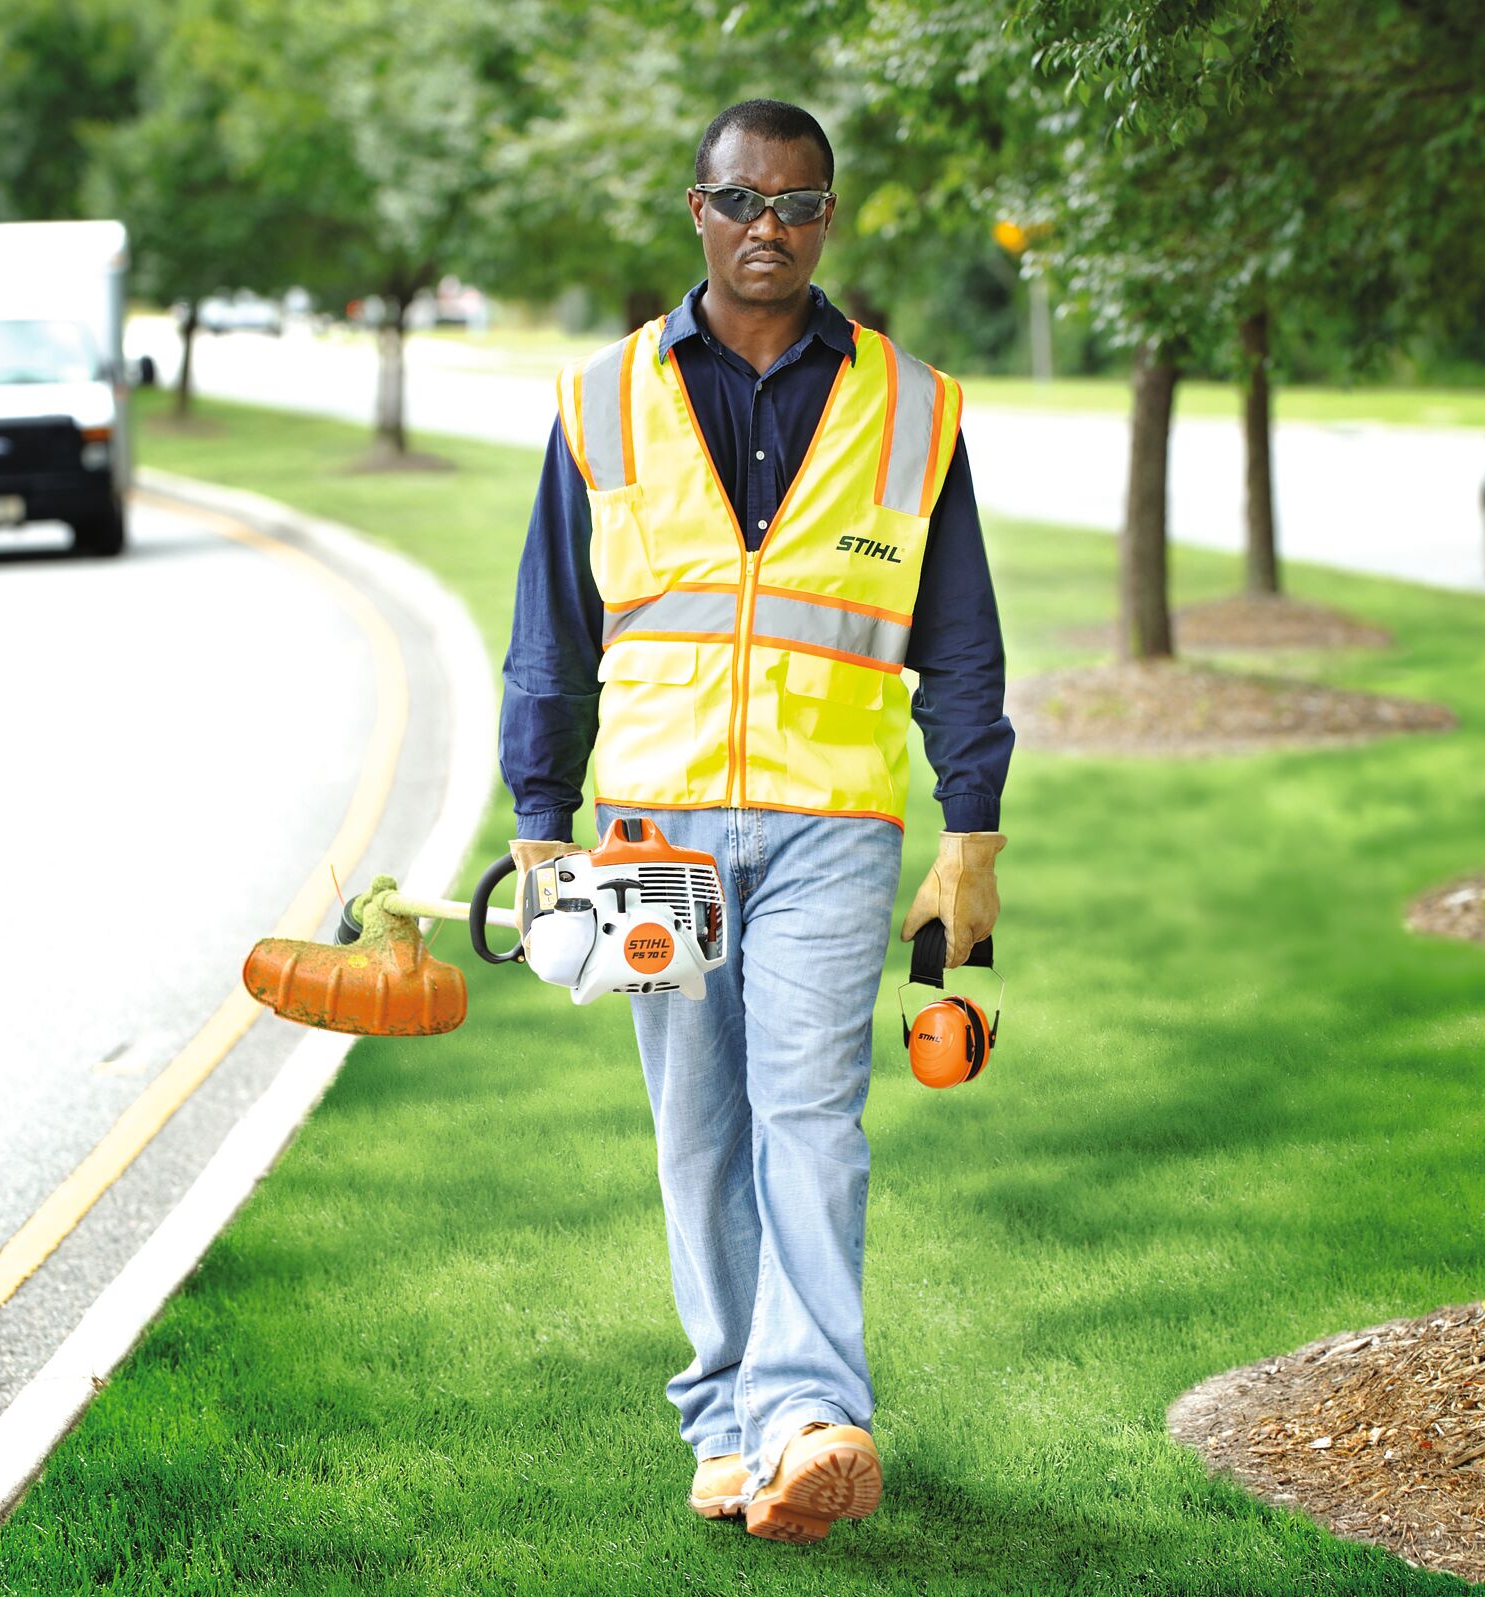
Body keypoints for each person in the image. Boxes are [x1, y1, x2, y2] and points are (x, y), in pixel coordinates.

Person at [499, 97, 1012, 1546]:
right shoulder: (600, 402)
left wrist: (970, 825)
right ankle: (726, 1422)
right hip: (654, 830)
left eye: (796, 205)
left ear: (828, 218)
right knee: (700, 1130)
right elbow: (552, 625)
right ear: (698, 210)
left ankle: (807, 1414)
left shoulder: (914, 409)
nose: (767, 231)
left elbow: (958, 633)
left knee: (810, 1119)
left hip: (831, 825)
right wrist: (543, 816)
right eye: (742, 202)